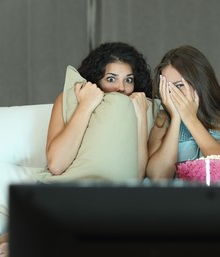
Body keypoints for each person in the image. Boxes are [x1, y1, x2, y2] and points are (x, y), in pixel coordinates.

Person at [146, 45, 220, 181]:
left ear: (200, 82)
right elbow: (158, 177)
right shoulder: (162, 119)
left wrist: (191, 119)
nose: (174, 94)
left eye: (179, 85)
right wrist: (175, 119)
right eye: (167, 88)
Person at [46, 42, 152, 180]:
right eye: (111, 79)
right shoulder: (69, 99)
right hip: (65, 190)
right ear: (96, 79)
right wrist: (86, 105)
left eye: (129, 80)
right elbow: (56, 164)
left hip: (109, 196)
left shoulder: (141, 106)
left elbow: (136, 177)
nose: (121, 87)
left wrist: (141, 117)